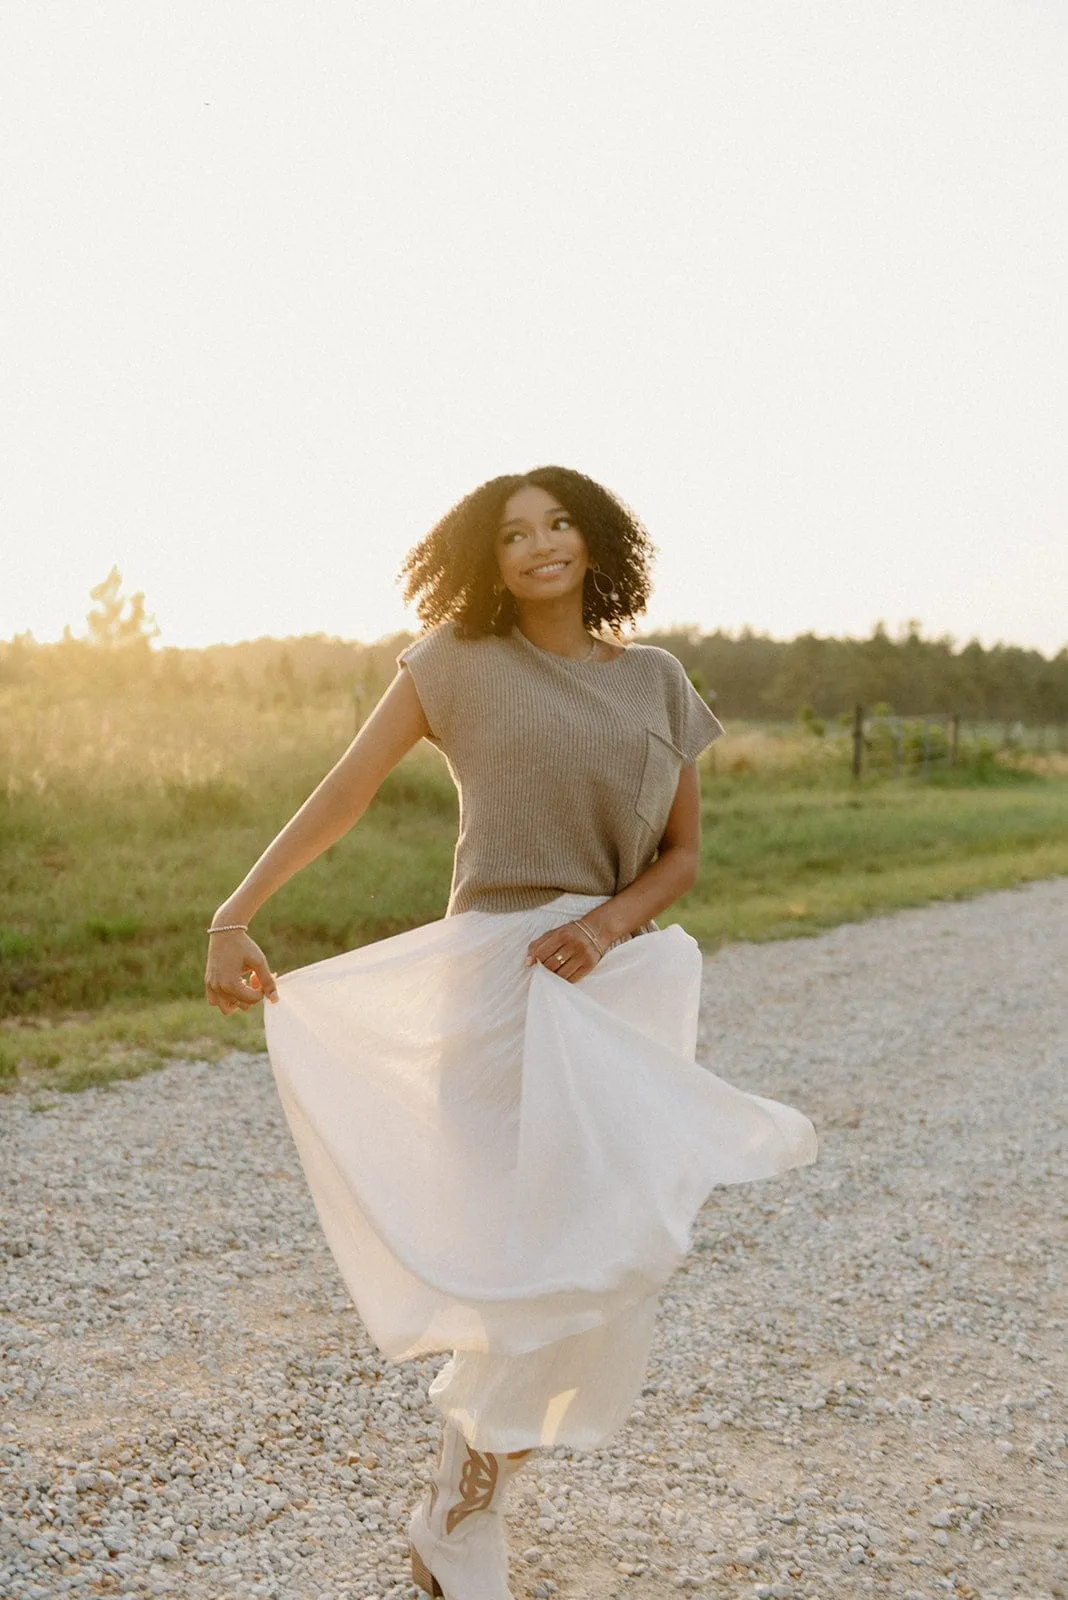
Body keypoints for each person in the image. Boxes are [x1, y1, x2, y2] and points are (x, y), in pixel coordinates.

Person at [204, 465, 817, 1600]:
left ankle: (456, 1504)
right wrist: (236, 912)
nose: (540, 545)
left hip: (611, 983)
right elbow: (344, 789)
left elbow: (682, 853)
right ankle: (464, 1521)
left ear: (595, 542)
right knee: (515, 1263)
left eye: (559, 523)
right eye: (514, 533)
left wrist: (605, 924)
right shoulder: (454, 663)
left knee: (606, 1264)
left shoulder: (657, 681)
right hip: (490, 985)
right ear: (485, 559)